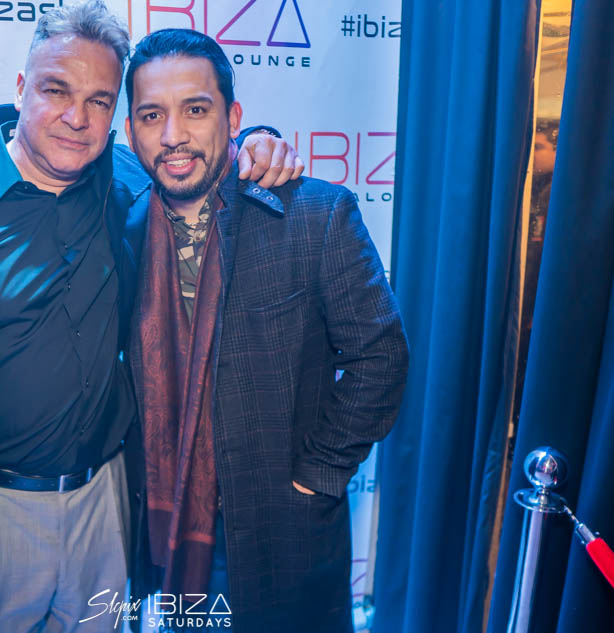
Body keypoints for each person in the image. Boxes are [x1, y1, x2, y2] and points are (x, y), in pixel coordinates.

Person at [0, 2, 302, 631]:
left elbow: (198, 159)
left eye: (99, 100)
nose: (77, 117)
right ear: (20, 87)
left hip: (107, 503)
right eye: (56, 90)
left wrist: (257, 142)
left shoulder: (126, 184)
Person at [121, 29, 409, 631]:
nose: (173, 135)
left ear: (233, 118)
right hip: (167, 534)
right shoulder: (121, 229)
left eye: (195, 110)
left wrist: (316, 475)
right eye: (152, 115)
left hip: (281, 535)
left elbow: (380, 357)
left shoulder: (314, 214)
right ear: (130, 131)